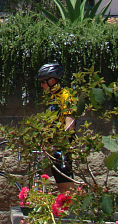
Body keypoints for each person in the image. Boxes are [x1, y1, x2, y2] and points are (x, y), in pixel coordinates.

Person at [37, 63, 76, 194]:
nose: (41, 85)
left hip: (63, 148)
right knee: (61, 185)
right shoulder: (53, 98)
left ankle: (73, 212)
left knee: (67, 186)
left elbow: (70, 124)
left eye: (43, 81)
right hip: (54, 148)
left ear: (52, 80)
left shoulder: (65, 96)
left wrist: (61, 143)